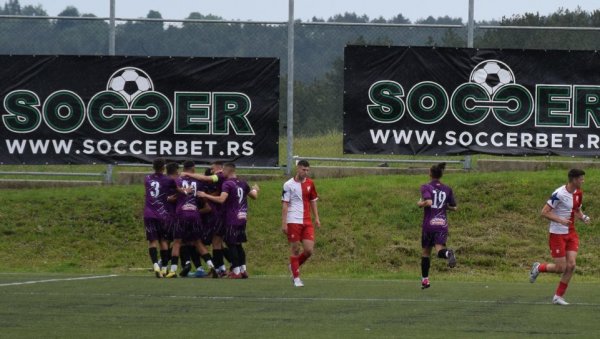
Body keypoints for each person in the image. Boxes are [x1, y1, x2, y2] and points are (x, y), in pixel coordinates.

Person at [529, 169, 590, 305]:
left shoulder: (578, 193)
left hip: (571, 233)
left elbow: (577, 209)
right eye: (581, 179)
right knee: (560, 268)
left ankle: (558, 296)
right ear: (574, 180)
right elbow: (544, 212)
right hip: (557, 234)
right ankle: (539, 267)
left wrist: (583, 217)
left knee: (572, 265)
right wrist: (560, 220)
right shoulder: (559, 194)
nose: (583, 181)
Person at [199, 163, 259, 279]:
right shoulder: (243, 183)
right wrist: (255, 189)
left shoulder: (227, 183)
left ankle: (236, 272)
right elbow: (254, 196)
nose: (222, 173)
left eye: (223, 171)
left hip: (231, 218)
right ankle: (243, 270)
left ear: (227, 171)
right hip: (242, 217)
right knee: (238, 244)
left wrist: (205, 195)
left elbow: (221, 199)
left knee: (231, 244)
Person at [165, 160, 216, 278]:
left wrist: (172, 198)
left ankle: (172, 270)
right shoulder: (198, 181)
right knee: (198, 242)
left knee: (177, 241)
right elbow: (202, 197)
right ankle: (212, 266)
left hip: (181, 213)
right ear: (192, 168)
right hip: (195, 213)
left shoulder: (177, 180)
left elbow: (171, 197)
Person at [417, 162, 457, 289]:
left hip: (429, 225)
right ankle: (448, 254)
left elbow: (428, 202)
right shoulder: (447, 189)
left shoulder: (426, 187)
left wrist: (420, 204)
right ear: (440, 175)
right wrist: (444, 206)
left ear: (430, 173)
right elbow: (454, 207)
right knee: (439, 250)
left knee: (426, 252)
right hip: (442, 224)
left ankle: (425, 280)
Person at [282, 160, 321, 288]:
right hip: (293, 220)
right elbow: (285, 204)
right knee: (295, 249)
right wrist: (284, 223)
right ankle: (296, 278)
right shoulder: (288, 185)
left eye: (307, 170)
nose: (306, 172)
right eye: (303, 170)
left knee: (309, 250)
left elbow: (313, 200)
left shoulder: (310, 183)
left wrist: (317, 218)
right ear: (298, 169)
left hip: (307, 220)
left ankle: (293, 266)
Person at [143, 158, 176, 278]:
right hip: (163, 214)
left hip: (149, 213)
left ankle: (155, 265)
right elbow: (177, 191)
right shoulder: (168, 180)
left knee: (152, 241)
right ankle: (163, 268)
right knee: (163, 241)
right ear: (164, 167)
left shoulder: (147, 179)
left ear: (153, 167)